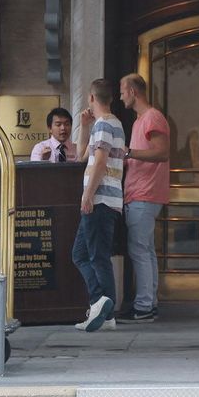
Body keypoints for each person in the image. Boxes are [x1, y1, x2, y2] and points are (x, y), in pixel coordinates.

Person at [71, 78, 125, 332]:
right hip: (105, 199)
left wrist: (88, 195)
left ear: (91, 98)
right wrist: (84, 127)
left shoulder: (104, 124)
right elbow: (82, 156)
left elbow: (100, 163)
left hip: (100, 199)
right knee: (82, 254)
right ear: (110, 98)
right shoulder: (110, 124)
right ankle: (104, 310)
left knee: (96, 256)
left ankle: (101, 304)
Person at [118, 73, 170, 323]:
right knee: (145, 251)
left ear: (132, 91)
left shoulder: (152, 117)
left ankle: (144, 306)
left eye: (122, 92)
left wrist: (128, 152)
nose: (121, 97)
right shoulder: (140, 120)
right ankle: (149, 303)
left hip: (145, 193)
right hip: (139, 193)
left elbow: (162, 153)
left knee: (139, 250)